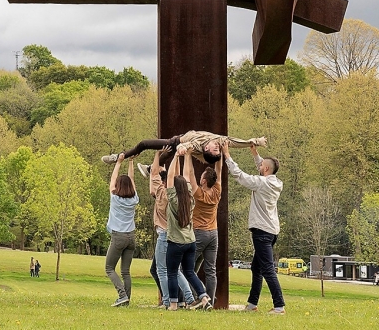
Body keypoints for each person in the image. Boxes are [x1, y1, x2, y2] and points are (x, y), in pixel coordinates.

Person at [226, 143, 285, 314]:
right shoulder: (275, 182)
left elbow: (239, 175)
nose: (259, 166)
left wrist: (227, 155)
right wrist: (255, 153)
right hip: (272, 231)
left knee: (267, 269)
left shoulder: (261, 183)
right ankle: (252, 304)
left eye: (261, 165)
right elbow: (263, 168)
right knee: (256, 268)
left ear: (265, 169)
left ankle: (279, 306)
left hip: (262, 232)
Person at [146, 147, 196, 309]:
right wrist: (180, 157)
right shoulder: (180, 197)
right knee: (177, 271)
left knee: (162, 270)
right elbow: (181, 177)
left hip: (164, 235)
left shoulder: (160, 191)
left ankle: (167, 301)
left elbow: (154, 173)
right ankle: (189, 298)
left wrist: (157, 154)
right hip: (177, 235)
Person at [165, 152, 212, 311]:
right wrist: (187, 155)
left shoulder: (173, 199)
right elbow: (185, 175)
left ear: (175, 188)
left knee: (172, 272)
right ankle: (204, 298)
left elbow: (171, 175)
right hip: (190, 242)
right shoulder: (190, 198)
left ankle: (172, 304)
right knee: (190, 272)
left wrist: (176, 156)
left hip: (176, 242)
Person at [187, 142, 224, 306]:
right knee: (211, 270)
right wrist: (219, 153)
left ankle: (200, 297)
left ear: (203, 181)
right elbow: (219, 170)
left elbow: (189, 174)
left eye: (201, 176)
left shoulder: (199, 194)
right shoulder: (216, 191)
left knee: (187, 268)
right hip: (213, 234)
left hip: (200, 233)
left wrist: (187, 155)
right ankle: (210, 300)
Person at [104, 131, 267, 166]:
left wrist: (182, 146)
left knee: (144, 144)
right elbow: (235, 141)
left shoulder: (197, 146)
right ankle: (150, 169)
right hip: (178, 144)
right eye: (218, 148)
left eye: (215, 149)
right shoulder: (219, 140)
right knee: (164, 157)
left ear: (207, 151)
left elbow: (189, 145)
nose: (217, 146)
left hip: (176, 142)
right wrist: (254, 141)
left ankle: (119, 156)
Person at [105, 153, 138, 307]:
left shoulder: (115, 198)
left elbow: (112, 181)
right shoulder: (134, 199)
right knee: (125, 271)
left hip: (118, 237)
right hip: (131, 237)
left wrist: (118, 162)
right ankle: (126, 300)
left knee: (109, 268)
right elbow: (131, 181)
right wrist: (131, 162)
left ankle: (122, 295)